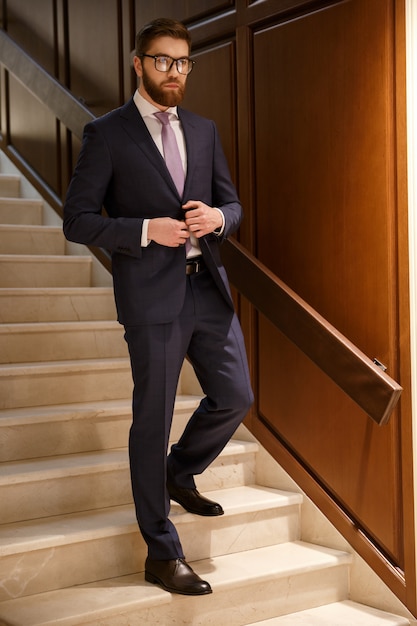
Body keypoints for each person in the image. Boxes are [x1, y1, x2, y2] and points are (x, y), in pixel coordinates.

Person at [63, 17, 253, 596]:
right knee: (152, 419)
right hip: (151, 298)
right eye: (163, 60)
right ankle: (161, 551)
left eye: (183, 62)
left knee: (236, 396)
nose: (175, 72)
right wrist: (146, 229)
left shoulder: (203, 129)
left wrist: (219, 219)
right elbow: (79, 220)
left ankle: (179, 470)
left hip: (207, 289)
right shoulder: (108, 134)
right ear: (138, 62)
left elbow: (233, 204)